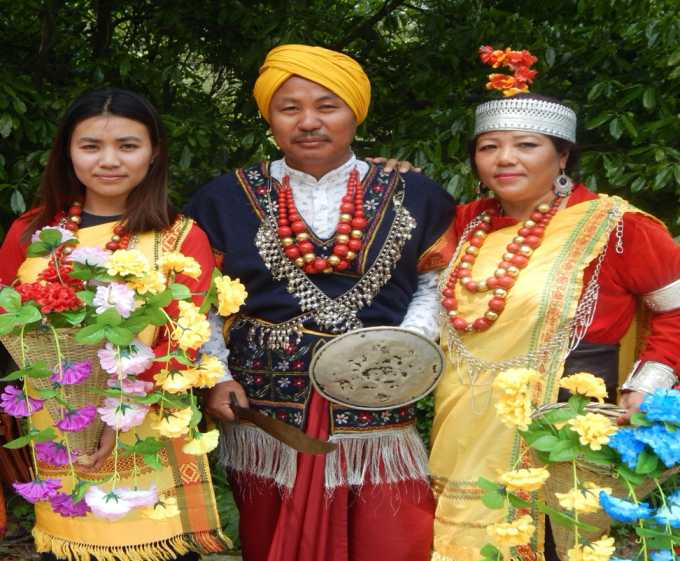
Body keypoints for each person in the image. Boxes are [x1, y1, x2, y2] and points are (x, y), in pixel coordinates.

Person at [186, 44, 455, 561]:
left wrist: (408, 347)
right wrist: (216, 374)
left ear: (355, 113)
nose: (309, 121)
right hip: (267, 405)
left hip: (379, 398)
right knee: (273, 537)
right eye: (290, 108)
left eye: (327, 106)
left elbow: (437, 282)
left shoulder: (415, 193)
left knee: (392, 537)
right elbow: (199, 300)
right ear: (270, 117)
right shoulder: (222, 197)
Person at [428, 59, 680, 561]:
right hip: (461, 420)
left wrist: (643, 392)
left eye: (527, 145)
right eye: (488, 147)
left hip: (561, 427)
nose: (505, 159)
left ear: (562, 156)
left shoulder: (616, 226)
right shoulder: (462, 224)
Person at [0, 88, 230, 561]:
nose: (109, 161)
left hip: (144, 425)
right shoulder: (32, 233)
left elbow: (183, 342)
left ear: (154, 153)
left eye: (128, 145)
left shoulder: (181, 238)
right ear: (68, 152)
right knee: (67, 544)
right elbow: (8, 320)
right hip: (59, 420)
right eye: (91, 146)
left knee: (149, 544)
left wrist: (123, 416)